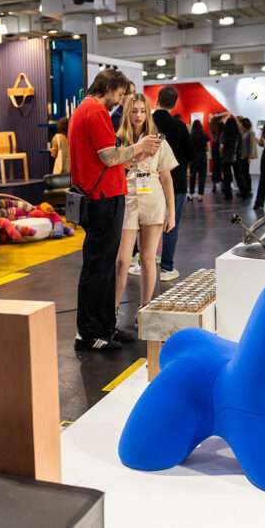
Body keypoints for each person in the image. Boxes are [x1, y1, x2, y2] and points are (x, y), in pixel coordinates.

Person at [70, 69, 161, 351]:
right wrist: (138, 148)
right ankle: (90, 333)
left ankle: (105, 327)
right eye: (120, 94)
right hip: (103, 197)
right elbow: (108, 157)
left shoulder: (84, 110)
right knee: (99, 267)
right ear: (109, 87)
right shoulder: (95, 111)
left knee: (104, 266)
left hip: (102, 195)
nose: (120, 101)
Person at [114, 94, 177, 313]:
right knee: (122, 261)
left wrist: (172, 213)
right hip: (127, 199)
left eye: (142, 110)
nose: (138, 115)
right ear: (127, 112)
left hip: (153, 201)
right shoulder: (118, 140)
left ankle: (145, 310)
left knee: (148, 258)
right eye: (134, 110)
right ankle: (111, 311)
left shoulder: (158, 141)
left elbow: (167, 178)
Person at [151, 86, 191, 281]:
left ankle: (143, 262)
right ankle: (167, 268)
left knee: (147, 223)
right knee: (171, 223)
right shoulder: (180, 126)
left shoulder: (147, 124)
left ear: (157, 99)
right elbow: (190, 154)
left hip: (150, 180)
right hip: (177, 180)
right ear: (174, 103)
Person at [219, 116, 242, 201]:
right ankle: (243, 192)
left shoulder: (224, 133)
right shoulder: (238, 134)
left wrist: (221, 155)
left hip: (226, 157)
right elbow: (240, 146)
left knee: (227, 177)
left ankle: (228, 195)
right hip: (236, 156)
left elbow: (221, 146)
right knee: (238, 175)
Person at [188, 120, 210, 201]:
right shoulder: (205, 136)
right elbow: (207, 148)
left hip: (193, 158)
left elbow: (188, 148)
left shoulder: (190, 136)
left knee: (192, 176)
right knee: (202, 177)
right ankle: (200, 195)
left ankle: (191, 194)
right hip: (202, 157)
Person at [237, 117, 257, 198]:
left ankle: (248, 190)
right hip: (241, 155)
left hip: (246, 156)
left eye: (241, 123)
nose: (239, 125)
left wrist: (250, 157)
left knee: (245, 173)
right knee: (243, 173)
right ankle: (244, 190)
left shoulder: (250, 132)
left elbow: (252, 145)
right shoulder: (243, 132)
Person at [209, 115, 223, 193]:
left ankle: (214, 185)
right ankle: (222, 185)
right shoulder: (221, 126)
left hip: (214, 147)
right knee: (221, 166)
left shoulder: (211, 126)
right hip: (219, 147)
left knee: (215, 166)